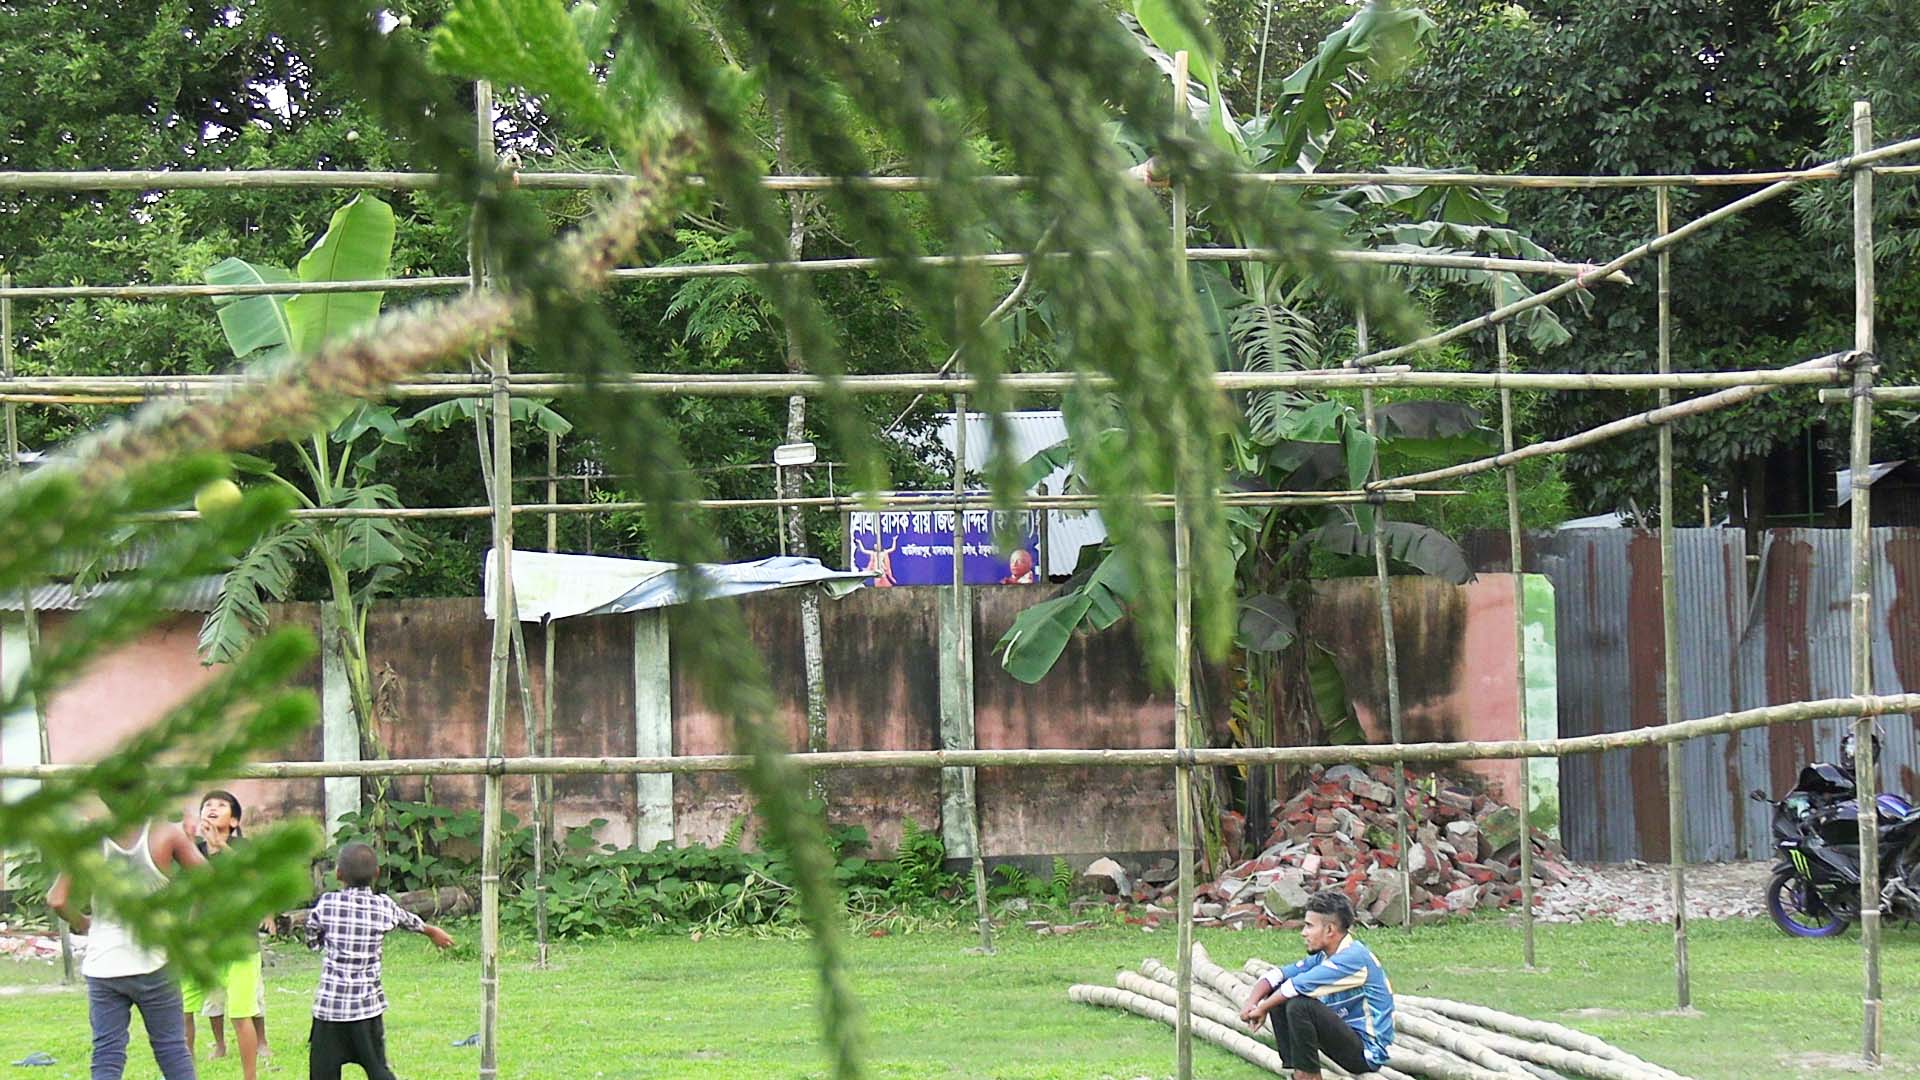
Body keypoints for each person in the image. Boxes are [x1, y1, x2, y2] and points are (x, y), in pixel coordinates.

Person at [48, 808, 207, 1080]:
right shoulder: (166, 833)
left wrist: (84, 922)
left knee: (107, 1054)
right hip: (156, 961)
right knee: (172, 1050)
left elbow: (57, 899)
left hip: (104, 965)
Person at [306, 843, 455, 1080]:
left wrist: (319, 943)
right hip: (367, 1009)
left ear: (338, 874)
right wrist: (431, 931)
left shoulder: (327, 904)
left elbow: (312, 933)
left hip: (330, 1009)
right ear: (377, 873)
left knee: (323, 1073)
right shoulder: (383, 906)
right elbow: (408, 921)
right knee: (377, 1069)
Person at [1239, 890, 1395, 1080]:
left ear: (1329, 930)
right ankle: (1294, 1070)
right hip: (1343, 1036)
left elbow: (1294, 987)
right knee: (1279, 995)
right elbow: (1276, 976)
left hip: (1366, 1053)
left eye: (1309, 926)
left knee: (1299, 1005)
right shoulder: (1324, 955)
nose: (1303, 933)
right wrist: (1251, 1003)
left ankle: (1309, 1076)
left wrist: (1261, 1008)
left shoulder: (1353, 958)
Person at [182, 791, 269, 1078]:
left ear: (234, 821)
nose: (212, 808)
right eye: (207, 805)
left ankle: (250, 1076)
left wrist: (221, 846)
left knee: (241, 1014)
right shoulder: (194, 850)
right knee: (185, 1010)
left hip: (239, 945)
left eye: (221, 805)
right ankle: (185, 1072)